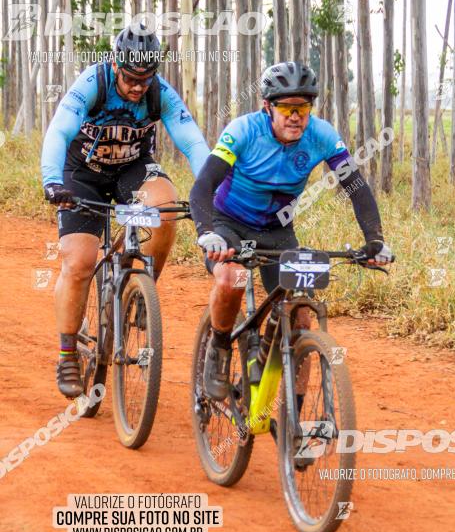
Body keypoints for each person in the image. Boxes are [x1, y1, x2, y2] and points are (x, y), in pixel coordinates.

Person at [189, 60, 393, 400]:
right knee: (232, 278)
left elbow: (356, 187)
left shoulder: (322, 135)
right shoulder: (243, 131)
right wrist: (206, 232)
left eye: (303, 107)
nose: (296, 116)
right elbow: (203, 185)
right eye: (286, 107)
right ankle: (220, 347)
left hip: (277, 229)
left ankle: (294, 416)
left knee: (300, 313)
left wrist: (374, 240)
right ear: (267, 107)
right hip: (228, 223)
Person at [41, 25, 210, 399]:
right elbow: (58, 131)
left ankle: (140, 288)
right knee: (80, 261)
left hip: (132, 168)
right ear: (116, 63)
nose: (138, 87)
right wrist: (53, 182)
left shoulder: (158, 93)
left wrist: (211, 191)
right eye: (132, 78)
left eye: (145, 79)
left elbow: (192, 141)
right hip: (81, 172)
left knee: (165, 208)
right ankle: (68, 354)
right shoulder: (92, 84)